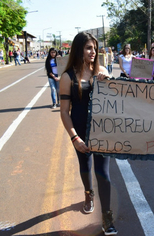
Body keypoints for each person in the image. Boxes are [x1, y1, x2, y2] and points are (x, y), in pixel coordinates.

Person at [59, 32, 118, 235]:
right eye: (88, 48)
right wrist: (74, 137)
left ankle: (107, 217)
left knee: (104, 174)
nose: (93, 52)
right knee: (85, 167)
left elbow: (116, 100)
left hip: (102, 131)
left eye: (94, 48)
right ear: (78, 49)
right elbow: (64, 113)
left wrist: (108, 81)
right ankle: (88, 193)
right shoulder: (67, 77)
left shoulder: (101, 70)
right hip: (80, 131)